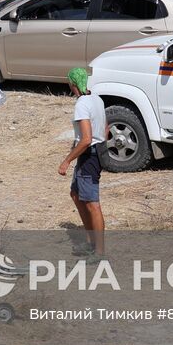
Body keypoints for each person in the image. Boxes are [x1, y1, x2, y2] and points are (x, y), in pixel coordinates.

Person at [59, 67, 107, 257]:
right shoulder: (97, 99)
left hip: (89, 155)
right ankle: (90, 241)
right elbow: (106, 126)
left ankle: (99, 252)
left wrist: (66, 161)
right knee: (76, 194)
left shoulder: (81, 104)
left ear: (73, 84)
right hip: (94, 152)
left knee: (92, 203)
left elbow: (86, 139)